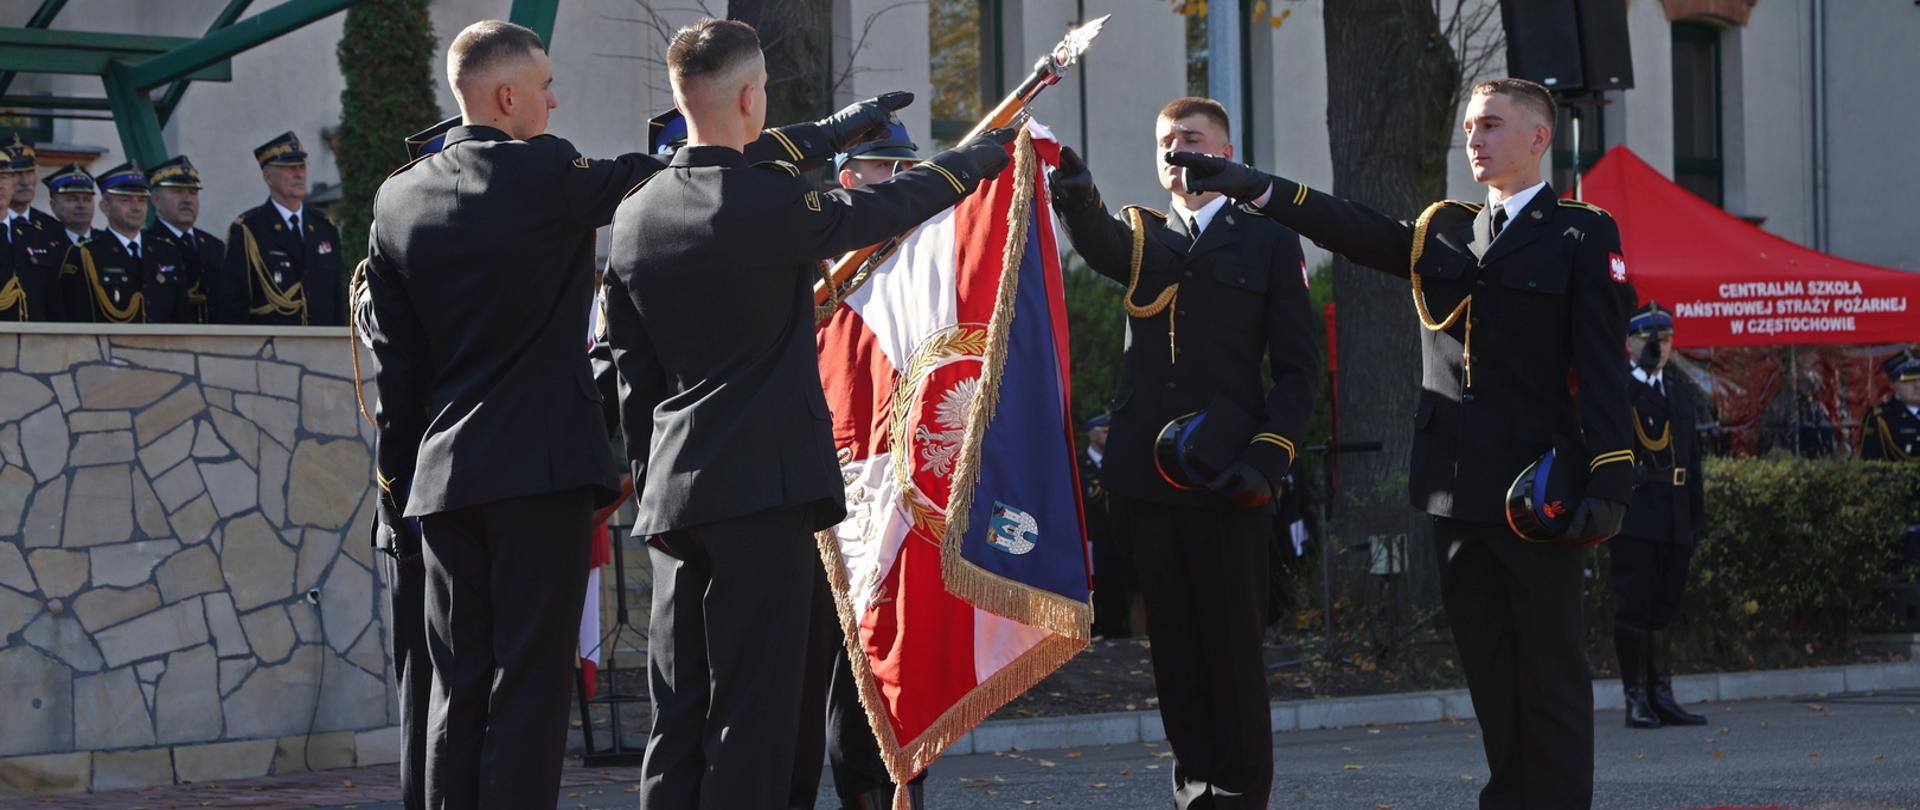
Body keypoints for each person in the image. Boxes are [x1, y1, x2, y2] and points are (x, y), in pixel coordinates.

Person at [363, 19, 911, 809]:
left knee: (457, 692)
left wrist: (396, 491)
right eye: (544, 87)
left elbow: (398, 365)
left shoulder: (395, 197)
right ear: (506, 95)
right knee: (527, 693)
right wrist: (820, 134)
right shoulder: (548, 173)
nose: (555, 101)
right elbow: (688, 168)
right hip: (538, 473)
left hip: (442, 482)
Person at [1165, 77, 1635, 810]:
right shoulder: (1443, 227)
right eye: (1472, 126)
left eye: (1492, 126)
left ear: (1539, 138)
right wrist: (1259, 188)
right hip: (1454, 488)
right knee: (1488, 669)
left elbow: (1606, 369)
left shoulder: (1581, 232)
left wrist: (1609, 482)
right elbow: (1353, 227)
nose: (1474, 139)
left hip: (1536, 493)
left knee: (1551, 674)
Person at [598, 18, 1013, 809]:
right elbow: (882, 209)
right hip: (765, 491)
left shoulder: (635, 214)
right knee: (755, 711)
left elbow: (632, 374)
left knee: (679, 710)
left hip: (676, 495)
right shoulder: (770, 200)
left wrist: (655, 479)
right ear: (752, 98)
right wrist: (971, 164)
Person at [1048, 96, 1318, 810]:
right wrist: (1076, 200)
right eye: (1168, 142)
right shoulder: (1145, 236)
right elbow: (1103, 244)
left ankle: (1239, 793)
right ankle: (1194, 790)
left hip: (1229, 478)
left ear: (1226, 152)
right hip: (1148, 481)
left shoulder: (1267, 242)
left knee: (1231, 651)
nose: (1179, 153)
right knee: (1173, 653)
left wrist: (1266, 462)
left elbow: (1299, 373)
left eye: (1193, 140)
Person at [789, 119, 937, 810]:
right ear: (846, 175)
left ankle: (890, 794)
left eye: (906, 168)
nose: (901, 181)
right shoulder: (810, 260)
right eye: (884, 168)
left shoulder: (917, 267)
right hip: (818, 488)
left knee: (888, 666)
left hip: (896, 486)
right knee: (804, 678)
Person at [1612, 302, 1708, 729]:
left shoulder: (1680, 392)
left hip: (1674, 515)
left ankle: (1662, 693)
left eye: (1665, 340)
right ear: (1629, 344)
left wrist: (1695, 519)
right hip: (1638, 515)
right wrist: (1640, 375)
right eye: (1650, 340)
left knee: (1664, 607)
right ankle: (1636, 696)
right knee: (1634, 606)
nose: (1659, 348)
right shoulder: (1621, 390)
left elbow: (1694, 460)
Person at [216, 131, 345, 325]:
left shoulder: (324, 227)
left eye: (302, 167)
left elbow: (337, 298)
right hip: (272, 347)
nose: (299, 174)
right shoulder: (249, 229)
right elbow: (234, 303)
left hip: (321, 344)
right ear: (268, 176)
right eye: (289, 168)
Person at [58, 163, 156, 324]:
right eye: (126, 200)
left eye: (142, 200)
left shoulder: (166, 252)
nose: (136, 208)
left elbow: (182, 317)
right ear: (105, 207)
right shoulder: (85, 254)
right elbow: (77, 316)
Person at [1080, 411, 1136, 640]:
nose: (1109, 436)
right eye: (1104, 432)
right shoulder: (1080, 464)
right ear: (1092, 435)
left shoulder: (1119, 463)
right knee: (1093, 586)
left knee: (1118, 584)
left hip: (1118, 536)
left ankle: (1115, 629)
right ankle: (1092, 629)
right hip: (1091, 537)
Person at [147, 155, 222, 324]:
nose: (188, 200)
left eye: (193, 192)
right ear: (156, 200)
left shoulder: (214, 246)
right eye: (177, 192)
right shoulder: (147, 244)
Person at [1, 137, 67, 321]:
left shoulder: (47, 230)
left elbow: (56, 298)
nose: (25, 181)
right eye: (17, 173)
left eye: (30, 172)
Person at [1862, 349, 1920, 462]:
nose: (1917, 386)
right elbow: (1871, 464)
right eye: (1908, 380)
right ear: (1893, 384)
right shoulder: (1882, 418)